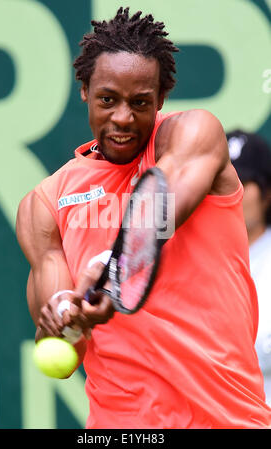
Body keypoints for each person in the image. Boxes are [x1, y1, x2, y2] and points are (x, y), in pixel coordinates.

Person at [16, 7, 271, 429]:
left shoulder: (195, 135)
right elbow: (61, 354)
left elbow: (160, 205)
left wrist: (106, 270)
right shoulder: (45, 204)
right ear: (84, 90)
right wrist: (65, 317)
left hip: (229, 420)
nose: (122, 118)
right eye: (107, 100)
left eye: (140, 103)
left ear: (161, 99)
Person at [227, 130, 271, 407]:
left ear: (267, 193)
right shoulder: (190, 264)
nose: (233, 193)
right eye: (223, 183)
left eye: (243, 181)